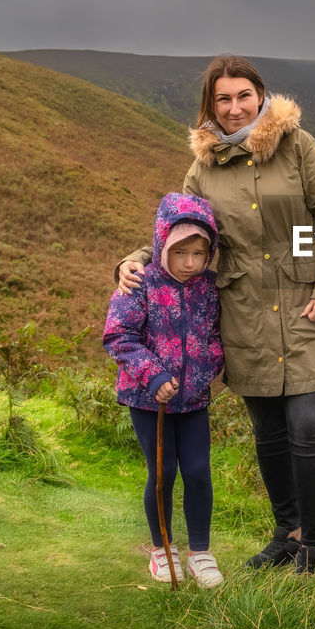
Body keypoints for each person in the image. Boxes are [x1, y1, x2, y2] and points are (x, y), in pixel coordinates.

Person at [117, 55, 315, 575]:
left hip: (308, 304)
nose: (233, 107)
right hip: (243, 312)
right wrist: (134, 260)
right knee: (268, 431)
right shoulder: (204, 167)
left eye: (243, 95)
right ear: (211, 105)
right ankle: (286, 533)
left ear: (261, 96)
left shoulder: (298, 145)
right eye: (223, 98)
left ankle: (314, 546)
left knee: (309, 427)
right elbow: (179, 233)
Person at [105, 192, 226, 587]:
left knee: (198, 471)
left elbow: (214, 338)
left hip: (192, 400)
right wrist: (154, 377)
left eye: (198, 252)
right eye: (180, 253)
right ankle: (162, 549)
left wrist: (205, 371)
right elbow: (119, 336)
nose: (190, 263)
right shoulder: (139, 281)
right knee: (163, 472)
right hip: (147, 400)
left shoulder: (208, 288)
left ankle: (200, 553)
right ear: (161, 245)